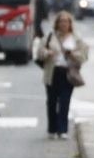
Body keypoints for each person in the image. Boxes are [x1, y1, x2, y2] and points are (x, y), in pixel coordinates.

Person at [35, 11, 88, 141]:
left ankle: (63, 129)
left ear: (70, 24)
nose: (64, 24)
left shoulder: (76, 38)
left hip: (68, 73)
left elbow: (83, 56)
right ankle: (52, 129)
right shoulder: (50, 36)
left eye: (66, 21)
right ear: (57, 23)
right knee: (52, 102)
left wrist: (72, 54)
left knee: (65, 101)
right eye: (61, 21)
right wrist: (47, 53)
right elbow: (39, 52)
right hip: (52, 72)